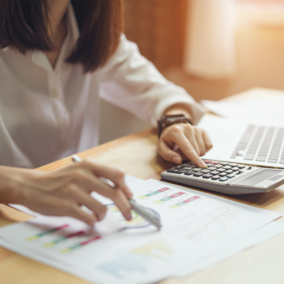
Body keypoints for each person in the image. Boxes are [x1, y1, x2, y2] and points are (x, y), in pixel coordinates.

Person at [0, 0, 212, 226]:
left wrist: (175, 122)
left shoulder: (90, 28)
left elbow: (162, 94)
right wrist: (23, 185)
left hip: (76, 217)